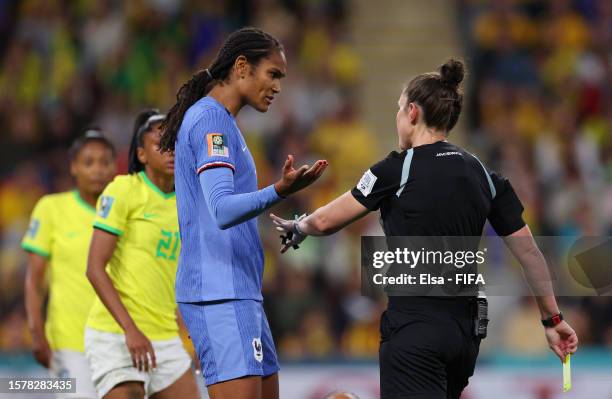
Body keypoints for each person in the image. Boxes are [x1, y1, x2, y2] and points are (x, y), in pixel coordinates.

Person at [271, 59, 579, 399]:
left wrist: (299, 225)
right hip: (465, 336)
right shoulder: (484, 176)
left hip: (416, 329)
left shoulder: (396, 169)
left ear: (413, 112)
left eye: (400, 108)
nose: (398, 116)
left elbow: (326, 220)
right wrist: (552, 321)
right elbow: (531, 256)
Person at [158, 27, 327, 399]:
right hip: (218, 294)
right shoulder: (210, 121)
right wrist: (279, 191)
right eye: (273, 74)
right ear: (241, 67)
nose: (278, 86)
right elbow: (220, 209)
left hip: (241, 291)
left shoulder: (226, 124)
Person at [84, 110, 199, 399]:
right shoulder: (124, 190)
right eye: (161, 144)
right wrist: (130, 330)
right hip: (116, 333)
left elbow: (177, 277)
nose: (170, 151)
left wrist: (191, 335)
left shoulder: (188, 203)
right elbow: (94, 269)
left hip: (165, 337)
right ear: (142, 154)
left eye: (175, 142)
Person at [23, 130, 116, 398]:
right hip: (69, 344)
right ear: (73, 167)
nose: (97, 170)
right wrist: (36, 332)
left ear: (114, 167)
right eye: (88, 162)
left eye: (104, 162)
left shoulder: (123, 211)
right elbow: (35, 279)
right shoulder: (51, 208)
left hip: (117, 341)